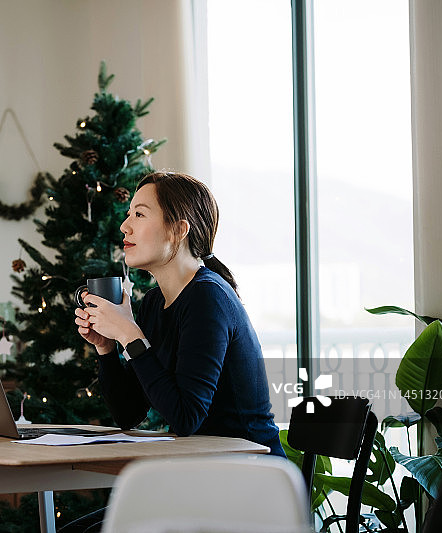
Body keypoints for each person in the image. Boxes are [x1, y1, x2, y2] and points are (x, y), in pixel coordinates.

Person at [61, 171, 283, 533]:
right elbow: (129, 413)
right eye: (129, 213)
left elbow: (186, 417)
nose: (124, 226)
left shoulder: (207, 297)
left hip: (250, 483)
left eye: (140, 214)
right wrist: (106, 349)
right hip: (203, 478)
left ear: (178, 230)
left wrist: (131, 335)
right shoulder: (153, 304)